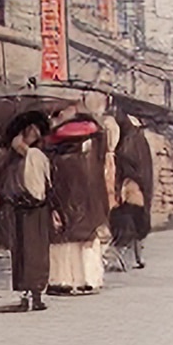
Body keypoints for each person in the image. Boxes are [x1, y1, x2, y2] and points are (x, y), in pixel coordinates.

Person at [0, 109, 53, 314]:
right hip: (21, 209)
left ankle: (31, 295)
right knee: (23, 252)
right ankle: (30, 295)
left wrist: (24, 151)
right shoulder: (13, 157)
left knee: (31, 252)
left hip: (32, 209)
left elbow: (39, 186)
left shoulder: (36, 155)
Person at [47, 108, 113, 293]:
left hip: (66, 211)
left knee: (64, 248)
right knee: (87, 248)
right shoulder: (93, 159)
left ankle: (63, 281)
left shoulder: (57, 160)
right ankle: (90, 280)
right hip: (89, 212)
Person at [110, 105, 155, 271]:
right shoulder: (139, 137)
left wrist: (123, 183)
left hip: (133, 185)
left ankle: (128, 258)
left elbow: (126, 160)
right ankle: (137, 257)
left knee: (128, 221)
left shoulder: (129, 138)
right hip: (140, 185)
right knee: (138, 221)